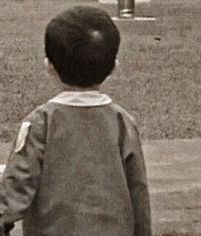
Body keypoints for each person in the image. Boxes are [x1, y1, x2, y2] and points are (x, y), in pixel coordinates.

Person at [0, 5, 152, 236]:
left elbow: (15, 187)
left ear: (49, 66)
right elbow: (138, 192)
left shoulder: (40, 123)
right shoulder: (123, 122)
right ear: (114, 67)